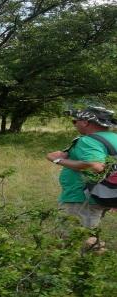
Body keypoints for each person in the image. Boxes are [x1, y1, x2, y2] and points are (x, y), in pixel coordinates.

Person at [46, 106, 117, 250]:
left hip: (82, 196)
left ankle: (94, 265)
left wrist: (57, 160)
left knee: (74, 237)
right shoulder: (113, 138)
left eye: (75, 120)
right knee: (86, 234)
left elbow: (96, 166)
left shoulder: (88, 141)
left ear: (85, 122)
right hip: (103, 193)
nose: (75, 123)